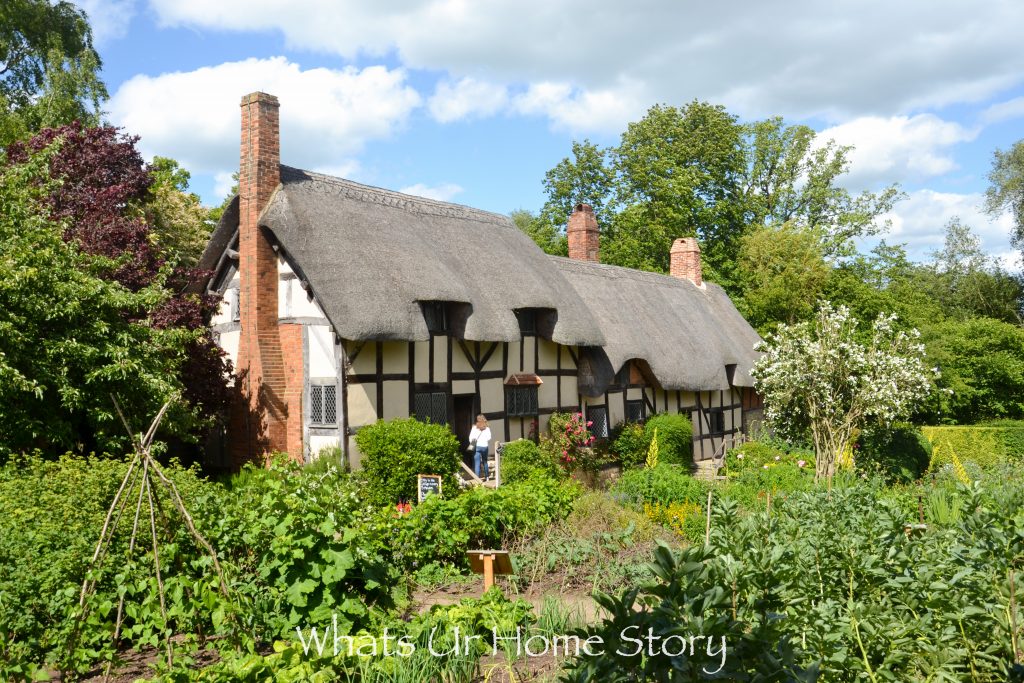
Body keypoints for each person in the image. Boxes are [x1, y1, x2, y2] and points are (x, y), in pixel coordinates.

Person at [469, 414, 491, 480]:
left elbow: (471, 438)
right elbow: (489, 437)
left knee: (477, 463)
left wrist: (472, 443)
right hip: (485, 446)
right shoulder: (487, 428)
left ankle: (477, 479)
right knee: (485, 462)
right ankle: (487, 477)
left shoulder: (474, 427)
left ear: (477, 420)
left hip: (477, 446)